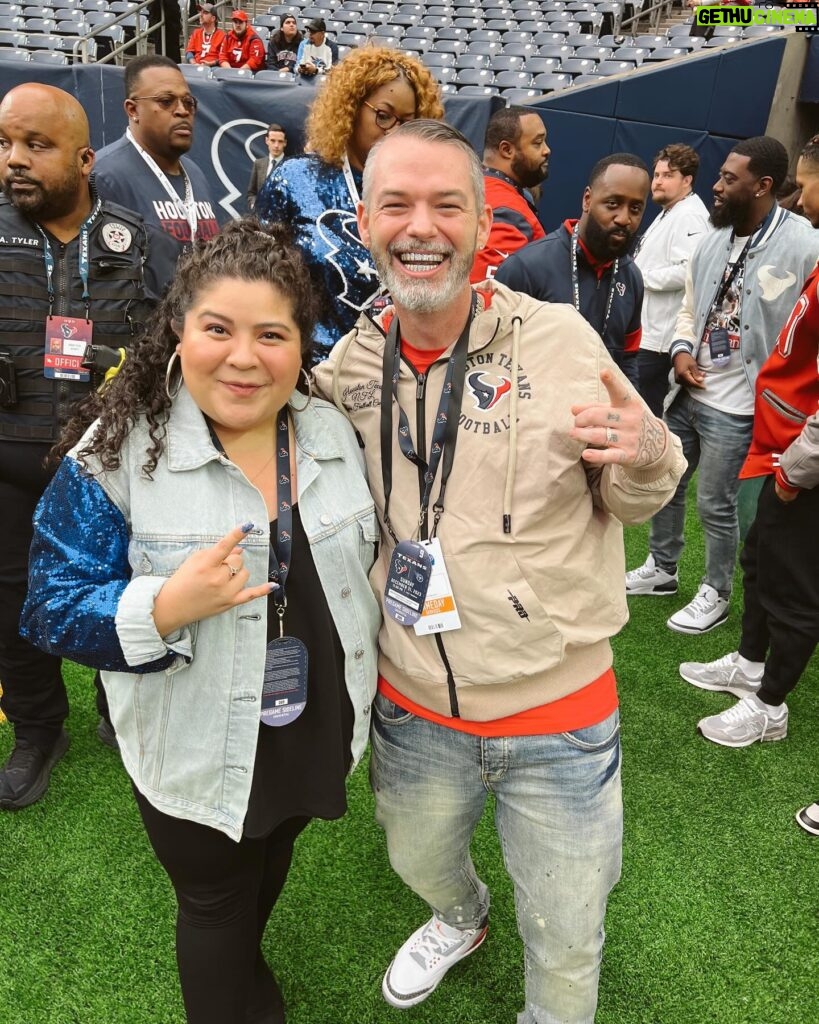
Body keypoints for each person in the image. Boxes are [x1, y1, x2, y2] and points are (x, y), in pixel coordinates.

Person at [314, 120, 685, 1024]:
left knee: (565, 933)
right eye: (396, 203)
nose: (421, 226)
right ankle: (460, 915)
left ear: (485, 228)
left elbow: (645, 488)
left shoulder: (559, 339)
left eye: (447, 204)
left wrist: (640, 452)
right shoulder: (349, 362)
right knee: (418, 862)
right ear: (364, 222)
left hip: (557, 717)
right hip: (410, 708)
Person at [20, 220, 380, 1024]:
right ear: (179, 331)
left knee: (271, 859)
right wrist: (163, 607)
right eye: (218, 328)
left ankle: (245, 974)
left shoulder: (327, 431)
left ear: (302, 343)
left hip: (308, 721)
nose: (244, 358)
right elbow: (47, 604)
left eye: (271, 335)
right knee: (214, 902)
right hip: (190, 746)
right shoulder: (114, 454)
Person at [0, 84, 160, 810]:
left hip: (108, 472)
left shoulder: (136, 238)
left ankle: (117, 716)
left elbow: (174, 343)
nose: (15, 161)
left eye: (36, 145)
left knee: (116, 597)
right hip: (9, 464)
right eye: (6, 145)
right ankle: (37, 730)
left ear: (85, 158)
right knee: (11, 609)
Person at [625, 136, 818, 635]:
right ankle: (663, 570)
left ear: (763, 186)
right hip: (686, 389)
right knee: (667, 481)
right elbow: (690, 308)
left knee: (716, 502)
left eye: (730, 179)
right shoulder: (713, 238)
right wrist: (682, 349)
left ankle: (716, 590)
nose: (716, 185)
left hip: (742, 403)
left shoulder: (804, 245)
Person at [677, 136, 819, 748]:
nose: (804, 196)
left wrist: (800, 463)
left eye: (810, 182)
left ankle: (770, 707)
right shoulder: (715, 238)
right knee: (762, 556)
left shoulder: (804, 243)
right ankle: (751, 663)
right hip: (775, 433)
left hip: (795, 445)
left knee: (792, 584)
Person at [256, 48, 443, 360]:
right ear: (351, 108)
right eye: (383, 116)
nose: (395, 132)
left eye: (408, 122)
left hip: (393, 373)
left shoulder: (420, 192)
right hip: (310, 375)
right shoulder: (295, 178)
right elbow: (256, 278)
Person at [495, 153, 650, 388]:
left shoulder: (632, 279)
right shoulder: (526, 267)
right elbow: (493, 357)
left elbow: (628, 360)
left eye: (635, 208)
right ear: (587, 200)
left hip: (599, 419)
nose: (623, 218)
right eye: (613, 204)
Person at [94, 55, 221, 285]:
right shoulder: (104, 177)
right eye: (166, 101)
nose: (182, 111)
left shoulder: (195, 174)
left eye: (188, 102)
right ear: (133, 110)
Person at [633, 143, 710, 416]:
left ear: (687, 180)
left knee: (644, 414)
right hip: (648, 333)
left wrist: (639, 276)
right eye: (657, 175)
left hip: (659, 342)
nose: (658, 182)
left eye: (668, 175)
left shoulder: (690, 215)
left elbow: (689, 272)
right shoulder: (672, 210)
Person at [469, 105, 549, 284]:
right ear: (506, 150)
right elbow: (486, 297)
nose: (546, 150)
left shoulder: (470, 186)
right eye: (537, 143)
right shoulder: (508, 211)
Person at [247, 124, 287, 212]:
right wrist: (254, 204)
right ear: (267, 140)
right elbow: (251, 193)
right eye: (273, 141)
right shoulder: (258, 164)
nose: (276, 145)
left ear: (285, 143)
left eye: (280, 141)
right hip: (260, 217)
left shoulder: (290, 166)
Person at [184, 2, 225, 66]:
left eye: (205, 13)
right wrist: (194, 63)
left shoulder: (222, 35)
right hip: (196, 67)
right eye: (201, 12)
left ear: (213, 18)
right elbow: (189, 51)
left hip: (213, 69)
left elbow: (224, 57)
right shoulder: (196, 33)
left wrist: (213, 63)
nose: (201, 15)